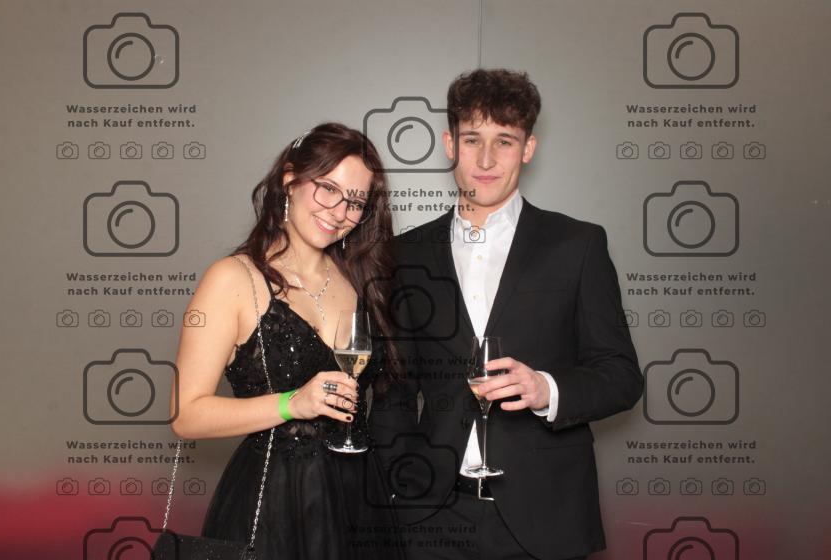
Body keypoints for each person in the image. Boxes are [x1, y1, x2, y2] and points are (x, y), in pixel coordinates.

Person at [370, 69, 643, 560]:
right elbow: (394, 391)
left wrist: (546, 389)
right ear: (450, 144)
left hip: (546, 521)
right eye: (472, 140)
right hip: (432, 521)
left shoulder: (578, 245)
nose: (486, 159)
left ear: (528, 148)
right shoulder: (405, 255)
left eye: (504, 141)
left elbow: (621, 376)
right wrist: (400, 489)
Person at [170, 122, 404, 559]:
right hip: (274, 505)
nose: (339, 211)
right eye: (328, 189)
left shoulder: (361, 279)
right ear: (290, 180)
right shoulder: (233, 279)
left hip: (358, 499)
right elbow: (186, 415)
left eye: (355, 202)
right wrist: (291, 403)